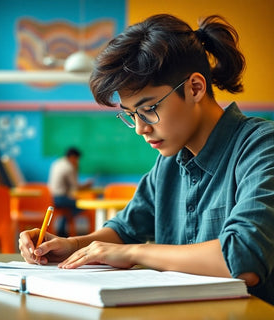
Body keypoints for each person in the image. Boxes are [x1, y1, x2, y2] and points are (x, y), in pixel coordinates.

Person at [19, 14, 274, 304]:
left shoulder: (261, 146)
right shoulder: (169, 163)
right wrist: (73, 245)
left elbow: (243, 260)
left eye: (149, 108)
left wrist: (132, 253)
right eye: (131, 114)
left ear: (195, 88)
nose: (140, 128)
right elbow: (125, 230)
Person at [47, 147, 93, 236]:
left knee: (69, 209)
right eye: (77, 159)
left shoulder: (57, 163)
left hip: (50, 197)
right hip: (60, 198)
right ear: (72, 157)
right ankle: (63, 228)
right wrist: (87, 184)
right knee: (82, 204)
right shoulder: (69, 167)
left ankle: (62, 229)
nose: (77, 161)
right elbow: (75, 187)